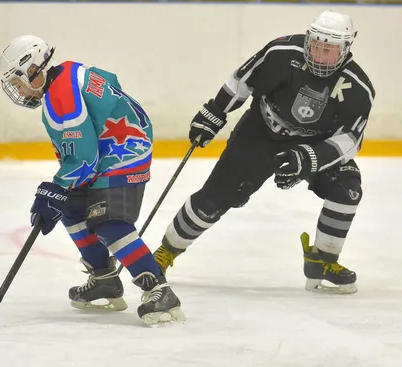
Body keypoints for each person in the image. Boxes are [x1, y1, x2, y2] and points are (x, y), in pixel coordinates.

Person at [152, 10, 375, 294]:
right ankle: (166, 252)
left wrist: (309, 158)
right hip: (260, 133)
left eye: (329, 51)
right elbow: (241, 81)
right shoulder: (281, 52)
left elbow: (349, 140)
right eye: (316, 46)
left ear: (346, 49)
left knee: (347, 191)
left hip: (314, 144)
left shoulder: (359, 88)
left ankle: (323, 261)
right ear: (308, 40)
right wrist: (215, 112)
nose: (320, 56)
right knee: (213, 200)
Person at [0, 35, 185, 324]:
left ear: (34, 70)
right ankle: (104, 280)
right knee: (70, 207)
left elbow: (84, 160)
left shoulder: (61, 97)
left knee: (108, 221)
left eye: (18, 81)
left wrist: (53, 189)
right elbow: (113, 83)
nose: (18, 89)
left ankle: (159, 290)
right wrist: (59, 194)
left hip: (124, 151)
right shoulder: (69, 70)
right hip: (113, 144)